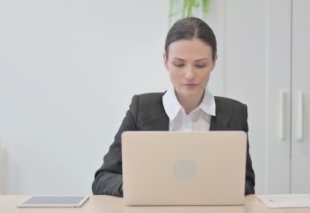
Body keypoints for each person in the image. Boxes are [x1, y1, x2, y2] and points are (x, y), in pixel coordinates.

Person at [92, 17, 255, 196]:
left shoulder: (235, 113)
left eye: (200, 65)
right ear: (166, 61)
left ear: (214, 61)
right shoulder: (141, 108)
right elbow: (103, 178)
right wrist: (136, 186)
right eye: (179, 64)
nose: (189, 74)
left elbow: (246, 183)